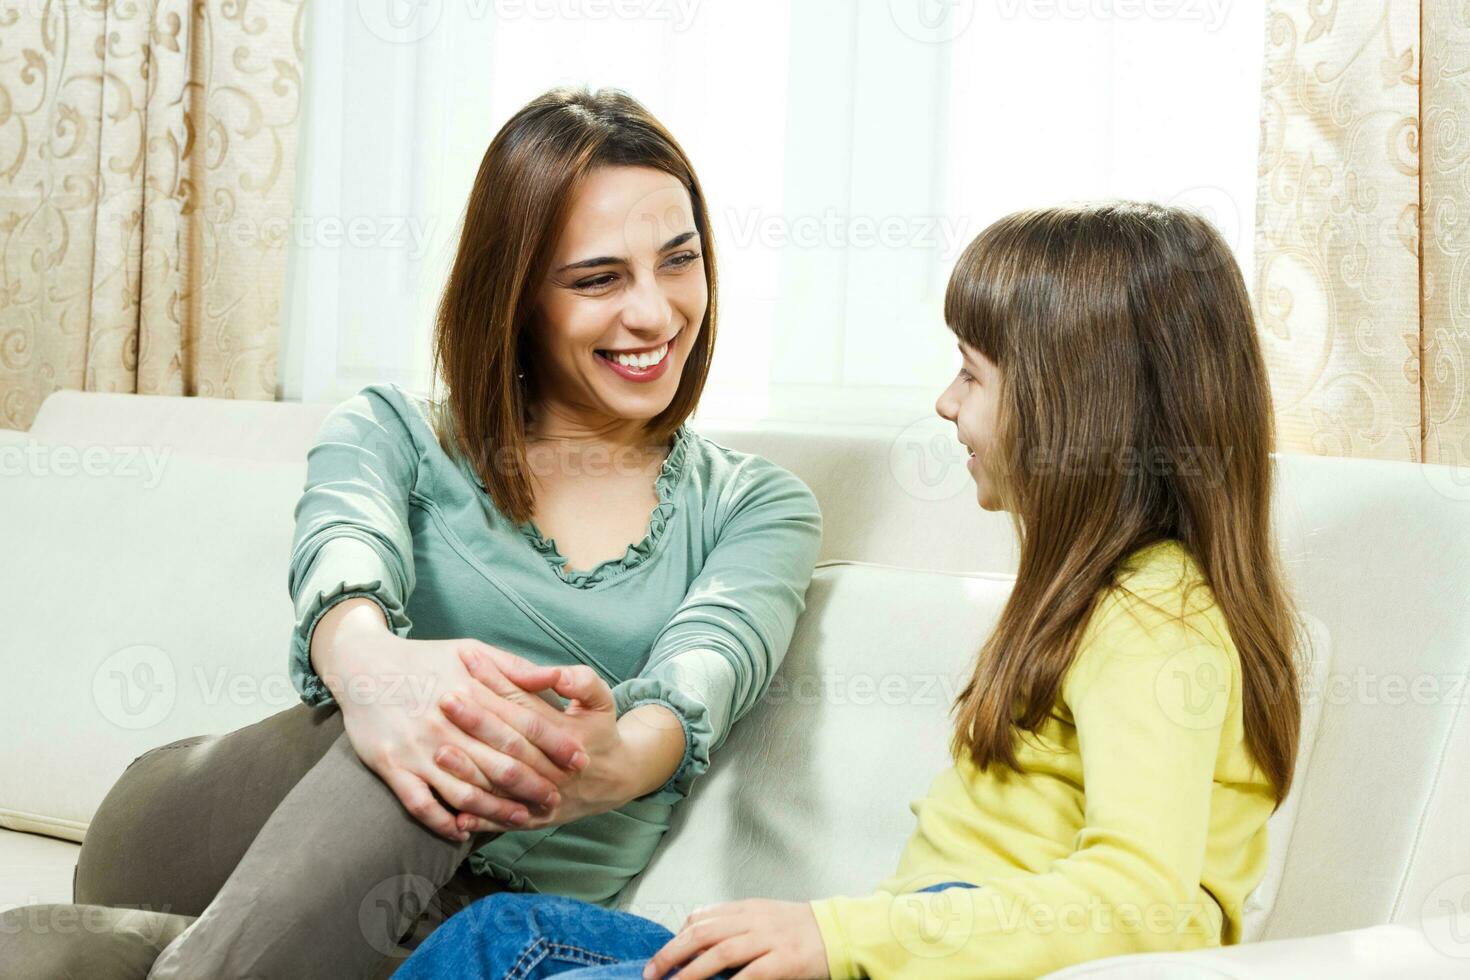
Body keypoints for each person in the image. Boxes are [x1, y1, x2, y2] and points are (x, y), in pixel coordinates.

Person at [0, 87, 821, 980]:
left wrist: (618, 758)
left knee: (57, 955)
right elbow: (343, 554)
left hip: (442, 919)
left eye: (679, 261)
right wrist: (380, 672)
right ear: (514, 294)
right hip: (204, 824)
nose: (656, 314)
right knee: (451, 728)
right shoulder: (395, 430)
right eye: (598, 279)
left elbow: (708, 668)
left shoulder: (756, 506)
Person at [394, 201, 1304, 980]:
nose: (947, 404)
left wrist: (834, 934)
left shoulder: (1157, 618)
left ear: (1079, 406)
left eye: (971, 373)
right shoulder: (1106, 598)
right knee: (500, 936)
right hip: (910, 945)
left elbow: (1139, 901)